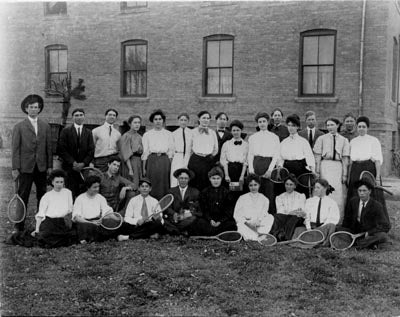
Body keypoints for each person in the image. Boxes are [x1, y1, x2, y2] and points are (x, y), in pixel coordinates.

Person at [11, 94, 53, 233]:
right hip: (25, 167)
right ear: (26, 108)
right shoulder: (19, 126)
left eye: (36, 107)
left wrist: (49, 166)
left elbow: (49, 148)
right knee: (23, 195)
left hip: (41, 167)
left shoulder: (45, 125)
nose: (34, 110)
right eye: (31, 107)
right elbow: (15, 149)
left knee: (42, 195)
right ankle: (18, 225)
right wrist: (15, 168)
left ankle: (41, 223)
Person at [234, 174, 303, 241]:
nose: (253, 187)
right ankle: (254, 236)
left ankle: (262, 234)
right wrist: (247, 222)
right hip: (246, 222)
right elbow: (237, 214)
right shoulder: (242, 198)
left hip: (259, 222)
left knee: (269, 218)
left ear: (259, 185)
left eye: (255, 185)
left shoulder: (264, 199)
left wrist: (258, 221)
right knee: (242, 226)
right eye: (251, 185)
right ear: (248, 186)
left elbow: (264, 213)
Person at [314, 118, 350, 219]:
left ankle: (337, 218)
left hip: (337, 168)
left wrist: (344, 174)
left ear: (338, 125)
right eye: (328, 125)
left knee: (337, 193)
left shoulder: (344, 140)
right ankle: (321, 217)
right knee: (324, 190)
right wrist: (317, 171)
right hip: (325, 166)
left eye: (332, 125)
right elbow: (317, 156)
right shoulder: (321, 139)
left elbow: (345, 159)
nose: (330, 127)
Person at [31, 170, 77, 248]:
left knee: (71, 236)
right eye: (57, 182)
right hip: (50, 222)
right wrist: (37, 229)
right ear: (52, 182)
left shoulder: (68, 193)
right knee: (46, 238)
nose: (59, 184)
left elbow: (70, 209)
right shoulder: (47, 196)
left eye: (61, 182)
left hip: (62, 222)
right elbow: (40, 214)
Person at [186, 167, 237, 236]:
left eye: (218, 178)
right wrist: (210, 220)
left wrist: (220, 221)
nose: (216, 181)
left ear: (221, 179)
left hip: (222, 220)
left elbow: (229, 210)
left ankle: (213, 233)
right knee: (198, 223)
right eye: (213, 178)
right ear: (210, 179)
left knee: (232, 225)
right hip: (209, 220)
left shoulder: (226, 192)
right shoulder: (205, 192)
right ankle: (217, 233)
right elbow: (203, 209)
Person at [341, 180, 391, 249]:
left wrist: (369, 232)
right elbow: (347, 219)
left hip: (369, 233)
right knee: (337, 229)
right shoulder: (353, 201)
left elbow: (386, 226)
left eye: (364, 191)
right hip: (355, 231)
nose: (361, 193)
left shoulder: (376, 205)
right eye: (360, 191)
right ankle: (369, 244)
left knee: (383, 236)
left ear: (369, 191)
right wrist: (344, 231)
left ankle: (358, 244)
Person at [57, 108, 95, 199]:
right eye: (76, 115)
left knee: (82, 191)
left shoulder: (88, 132)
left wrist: (83, 163)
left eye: (81, 115)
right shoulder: (66, 131)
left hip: (83, 168)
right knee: (70, 191)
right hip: (70, 167)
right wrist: (73, 163)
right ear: (72, 117)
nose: (79, 117)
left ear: (84, 117)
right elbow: (61, 149)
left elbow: (91, 150)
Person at [346, 116, 384, 204]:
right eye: (359, 127)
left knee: (370, 193)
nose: (361, 129)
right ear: (356, 127)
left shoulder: (374, 140)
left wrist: (377, 177)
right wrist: (349, 176)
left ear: (367, 128)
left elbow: (377, 160)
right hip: (355, 170)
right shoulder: (353, 141)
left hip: (369, 169)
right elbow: (351, 162)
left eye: (364, 127)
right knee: (355, 194)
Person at [247, 112, 280, 213]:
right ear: (257, 123)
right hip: (256, 164)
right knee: (256, 190)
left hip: (268, 164)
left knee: (269, 191)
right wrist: (251, 169)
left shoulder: (274, 137)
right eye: (259, 122)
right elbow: (250, 154)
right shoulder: (252, 137)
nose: (262, 124)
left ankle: (269, 215)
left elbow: (276, 155)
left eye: (264, 121)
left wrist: (270, 170)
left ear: (268, 122)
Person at [278, 114, 315, 197]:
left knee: (301, 191)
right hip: (287, 169)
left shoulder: (303, 141)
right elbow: (280, 157)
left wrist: (312, 170)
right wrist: (280, 166)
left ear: (298, 127)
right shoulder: (284, 142)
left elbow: (309, 156)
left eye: (293, 126)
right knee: (287, 191)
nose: (291, 128)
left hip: (300, 169)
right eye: (289, 125)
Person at [142, 109, 174, 200]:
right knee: (152, 182)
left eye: (160, 119)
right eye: (156, 119)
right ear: (153, 121)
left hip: (164, 160)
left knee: (164, 183)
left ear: (163, 121)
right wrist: (144, 168)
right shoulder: (147, 135)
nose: (158, 121)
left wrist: (170, 165)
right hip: (152, 160)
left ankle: (164, 206)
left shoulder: (169, 134)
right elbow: (145, 152)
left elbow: (171, 152)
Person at [72, 175, 115, 243]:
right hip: (85, 222)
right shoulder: (80, 198)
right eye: (94, 187)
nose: (97, 189)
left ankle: (92, 238)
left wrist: (102, 219)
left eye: (98, 187)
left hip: (97, 221)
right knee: (83, 226)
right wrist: (90, 222)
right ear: (88, 187)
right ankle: (87, 239)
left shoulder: (100, 198)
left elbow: (107, 211)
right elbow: (76, 217)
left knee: (110, 222)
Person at [298, 179, 340, 246]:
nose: (315, 190)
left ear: (325, 188)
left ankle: (319, 240)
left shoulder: (332, 203)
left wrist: (320, 228)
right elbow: (307, 216)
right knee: (298, 229)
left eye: (318, 187)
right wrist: (308, 228)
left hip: (324, 228)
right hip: (311, 227)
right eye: (315, 187)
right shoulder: (309, 201)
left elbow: (332, 219)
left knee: (331, 226)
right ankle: (314, 239)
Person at [188, 110, 219, 191]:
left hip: (208, 161)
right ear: (199, 119)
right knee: (195, 181)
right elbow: (189, 148)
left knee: (207, 182)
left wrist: (210, 157)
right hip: (196, 160)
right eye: (204, 118)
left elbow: (216, 149)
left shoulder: (212, 132)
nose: (206, 120)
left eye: (208, 118)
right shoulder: (193, 132)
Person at [163, 168, 200, 235]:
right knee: (163, 220)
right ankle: (180, 231)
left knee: (194, 219)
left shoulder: (195, 192)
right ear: (177, 178)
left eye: (185, 178)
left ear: (189, 179)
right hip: (174, 218)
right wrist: (174, 214)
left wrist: (187, 215)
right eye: (181, 178)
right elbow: (167, 207)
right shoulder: (171, 191)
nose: (183, 180)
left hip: (187, 218)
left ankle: (174, 230)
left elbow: (198, 208)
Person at [220, 119, 248, 199]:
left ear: (241, 131)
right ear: (231, 131)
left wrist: (242, 176)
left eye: (238, 130)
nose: (236, 132)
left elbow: (246, 161)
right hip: (229, 170)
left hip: (241, 170)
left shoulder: (246, 145)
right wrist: (226, 175)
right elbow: (223, 160)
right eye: (234, 130)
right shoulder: (226, 144)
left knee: (240, 193)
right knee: (230, 193)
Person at [118, 115, 143, 190]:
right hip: (131, 163)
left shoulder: (139, 136)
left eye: (139, 122)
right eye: (135, 122)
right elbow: (126, 154)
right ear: (130, 124)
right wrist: (130, 169)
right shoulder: (126, 136)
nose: (137, 124)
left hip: (139, 163)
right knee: (132, 184)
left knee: (139, 184)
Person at [170, 113, 193, 187]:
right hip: (177, 156)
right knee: (176, 177)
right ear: (178, 121)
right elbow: (171, 148)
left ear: (188, 121)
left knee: (187, 175)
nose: (183, 122)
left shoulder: (192, 133)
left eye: (185, 120)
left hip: (188, 156)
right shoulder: (173, 133)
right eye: (181, 120)